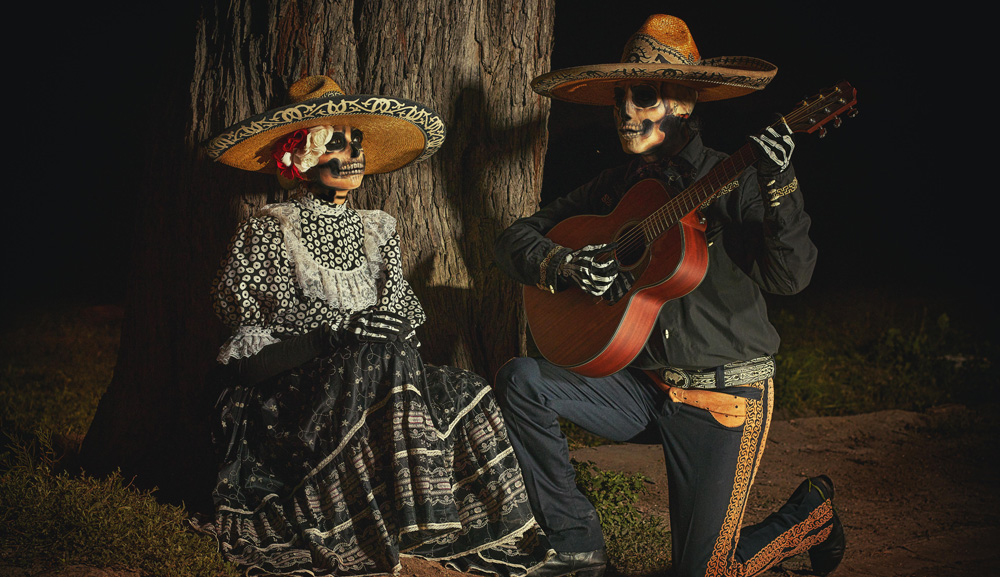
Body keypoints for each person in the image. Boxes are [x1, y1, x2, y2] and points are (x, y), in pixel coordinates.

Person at [494, 15, 845, 577]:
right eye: (619, 100)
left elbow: (791, 277)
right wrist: (566, 264)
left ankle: (811, 514)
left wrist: (780, 182)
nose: (624, 112)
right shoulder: (616, 186)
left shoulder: (735, 178)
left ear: (682, 103)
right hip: (642, 388)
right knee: (522, 380)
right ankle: (577, 544)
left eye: (643, 96)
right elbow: (515, 239)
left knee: (703, 572)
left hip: (722, 399)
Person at [200, 75, 551, 576]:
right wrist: (336, 336)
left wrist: (389, 331)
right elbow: (250, 361)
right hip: (297, 393)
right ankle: (379, 523)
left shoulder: (377, 229)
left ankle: (440, 525)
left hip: (376, 379)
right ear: (302, 157)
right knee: (376, 356)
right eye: (337, 144)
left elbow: (399, 319)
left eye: (357, 142)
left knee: (464, 388)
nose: (354, 155)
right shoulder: (272, 228)